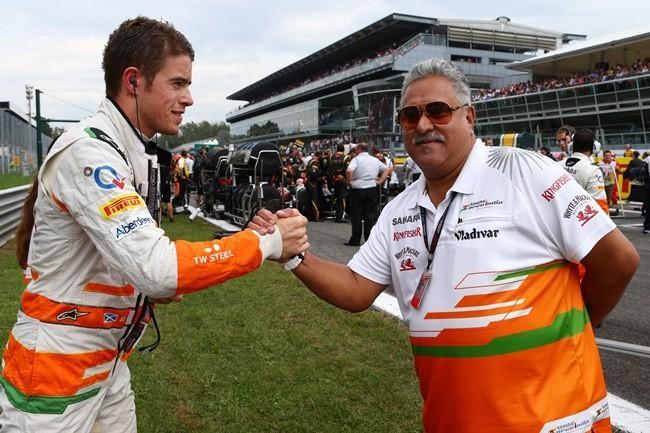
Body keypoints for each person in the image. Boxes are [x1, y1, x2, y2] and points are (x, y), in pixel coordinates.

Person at [252, 58, 639, 433]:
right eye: (410, 116)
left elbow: (618, 261)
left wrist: (576, 324)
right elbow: (356, 288)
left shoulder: (522, 170)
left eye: (438, 111)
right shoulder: (399, 209)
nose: (423, 125)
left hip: (554, 420)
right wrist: (295, 256)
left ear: (469, 116)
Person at [3, 17, 308, 433]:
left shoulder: (125, 149)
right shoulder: (91, 153)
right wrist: (265, 243)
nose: (189, 98)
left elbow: (134, 261)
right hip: (54, 370)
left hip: (107, 360)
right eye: (178, 83)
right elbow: (158, 268)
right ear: (134, 81)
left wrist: (143, 287)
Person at [344, 143, 388, 246]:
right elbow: (386, 169)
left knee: (356, 215)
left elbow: (349, 170)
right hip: (371, 188)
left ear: (359, 149)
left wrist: (349, 182)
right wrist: (380, 181)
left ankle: (355, 239)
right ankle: (369, 240)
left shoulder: (356, 159)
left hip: (358, 189)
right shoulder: (374, 160)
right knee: (369, 215)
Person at [559, 129, 608, 214]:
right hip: (580, 217)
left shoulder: (557, 165)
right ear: (595, 147)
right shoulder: (593, 170)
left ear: (571, 146)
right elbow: (600, 204)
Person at [599, 150, 619, 214]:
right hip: (601, 183)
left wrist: (617, 168)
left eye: (609, 155)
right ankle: (601, 209)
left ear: (611, 156)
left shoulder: (614, 163)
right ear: (603, 156)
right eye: (606, 155)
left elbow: (619, 170)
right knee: (601, 196)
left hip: (610, 183)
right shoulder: (600, 163)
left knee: (608, 197)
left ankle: (607, 210)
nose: (608, 157)